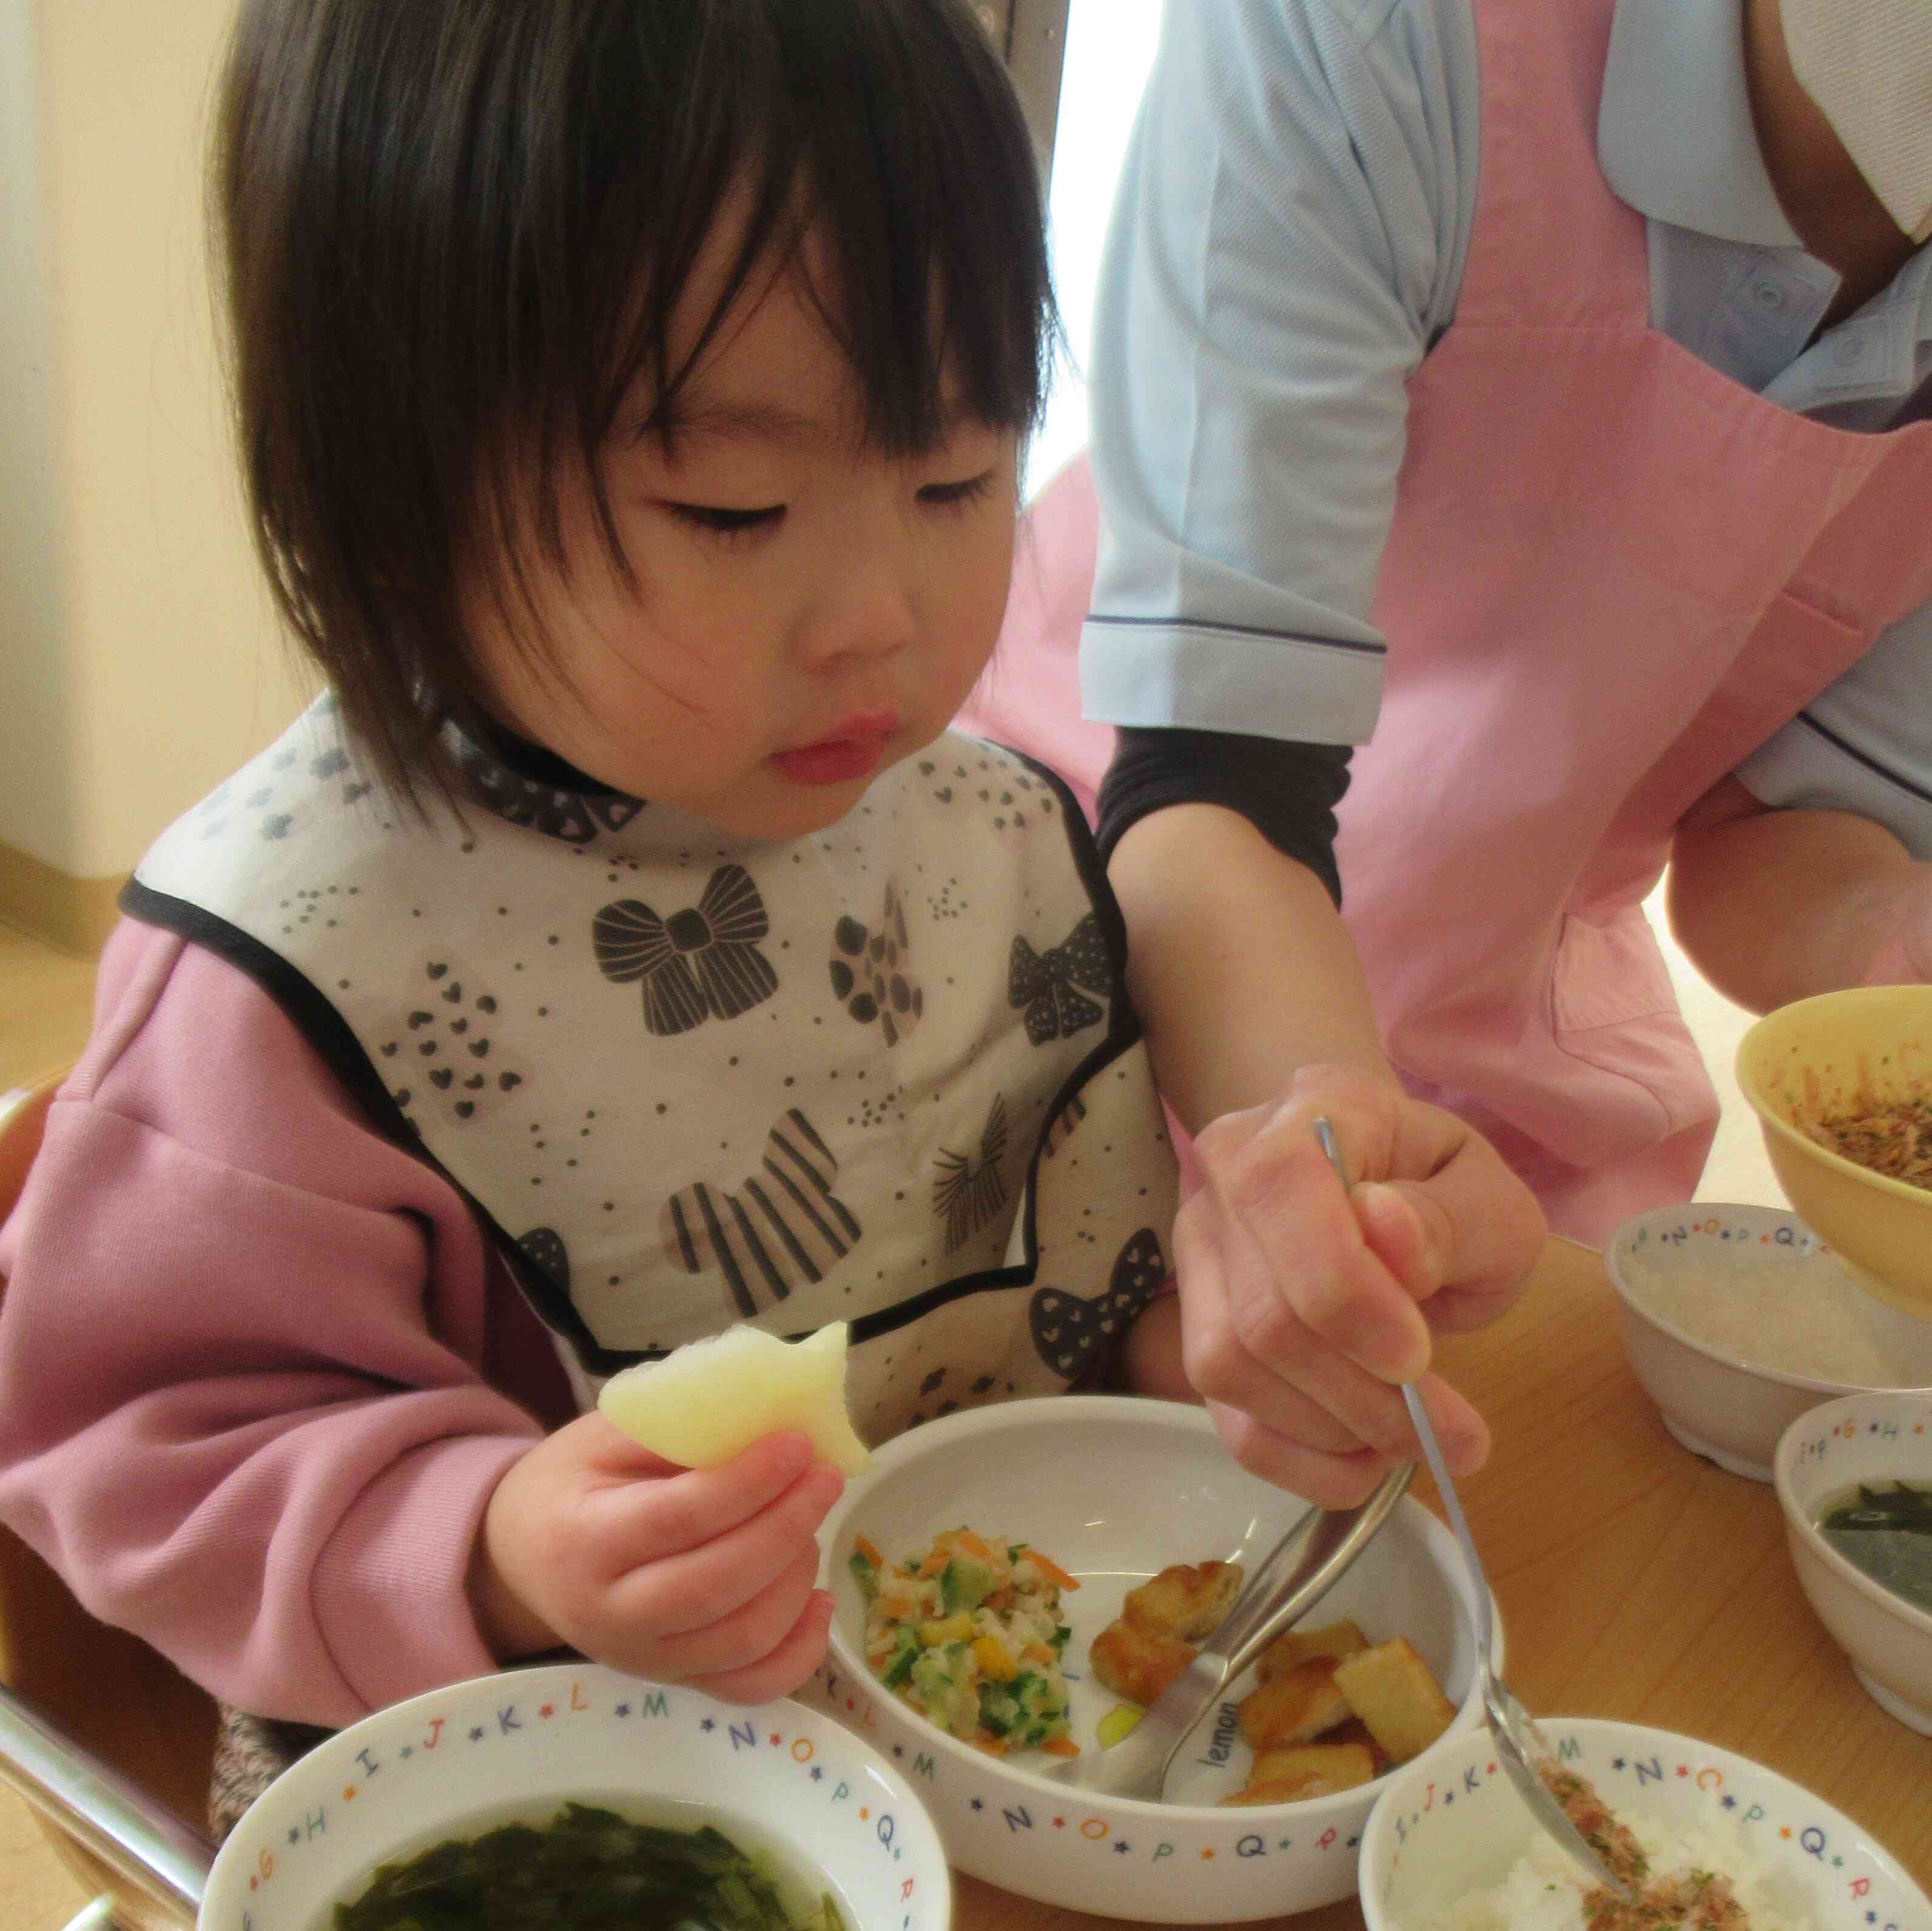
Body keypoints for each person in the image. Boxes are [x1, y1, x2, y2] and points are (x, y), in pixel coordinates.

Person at [0, 0, 1191, 1818]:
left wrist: (1238, 1320)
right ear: (393, 491)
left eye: (961, 474)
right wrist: (488, 1537)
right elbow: (141, 1455)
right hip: (524, 1789)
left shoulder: (984, 827)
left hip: (987, 1736)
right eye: (732, 507)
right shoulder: (296, 968)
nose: (886, 610)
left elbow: (1081, 1277)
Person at [963, 0, 1932, 1508]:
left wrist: (1897, 950)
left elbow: (1769, 835)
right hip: (1064, 917)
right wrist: (1327, 1178)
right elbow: (1210, 780)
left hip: (1500, 1031)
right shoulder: (1385, 38)